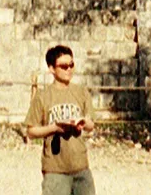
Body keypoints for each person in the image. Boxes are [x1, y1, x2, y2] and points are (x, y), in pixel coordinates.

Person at [23, 45, 96, 195]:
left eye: (71, 65)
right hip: (55, 170)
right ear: (51, 68)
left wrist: (83, 122)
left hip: (81, 167)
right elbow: (31, 131)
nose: (69, 69)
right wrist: (54, 128)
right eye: (63, 66)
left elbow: (91, 124)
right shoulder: (43, 96)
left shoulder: (81, 92)